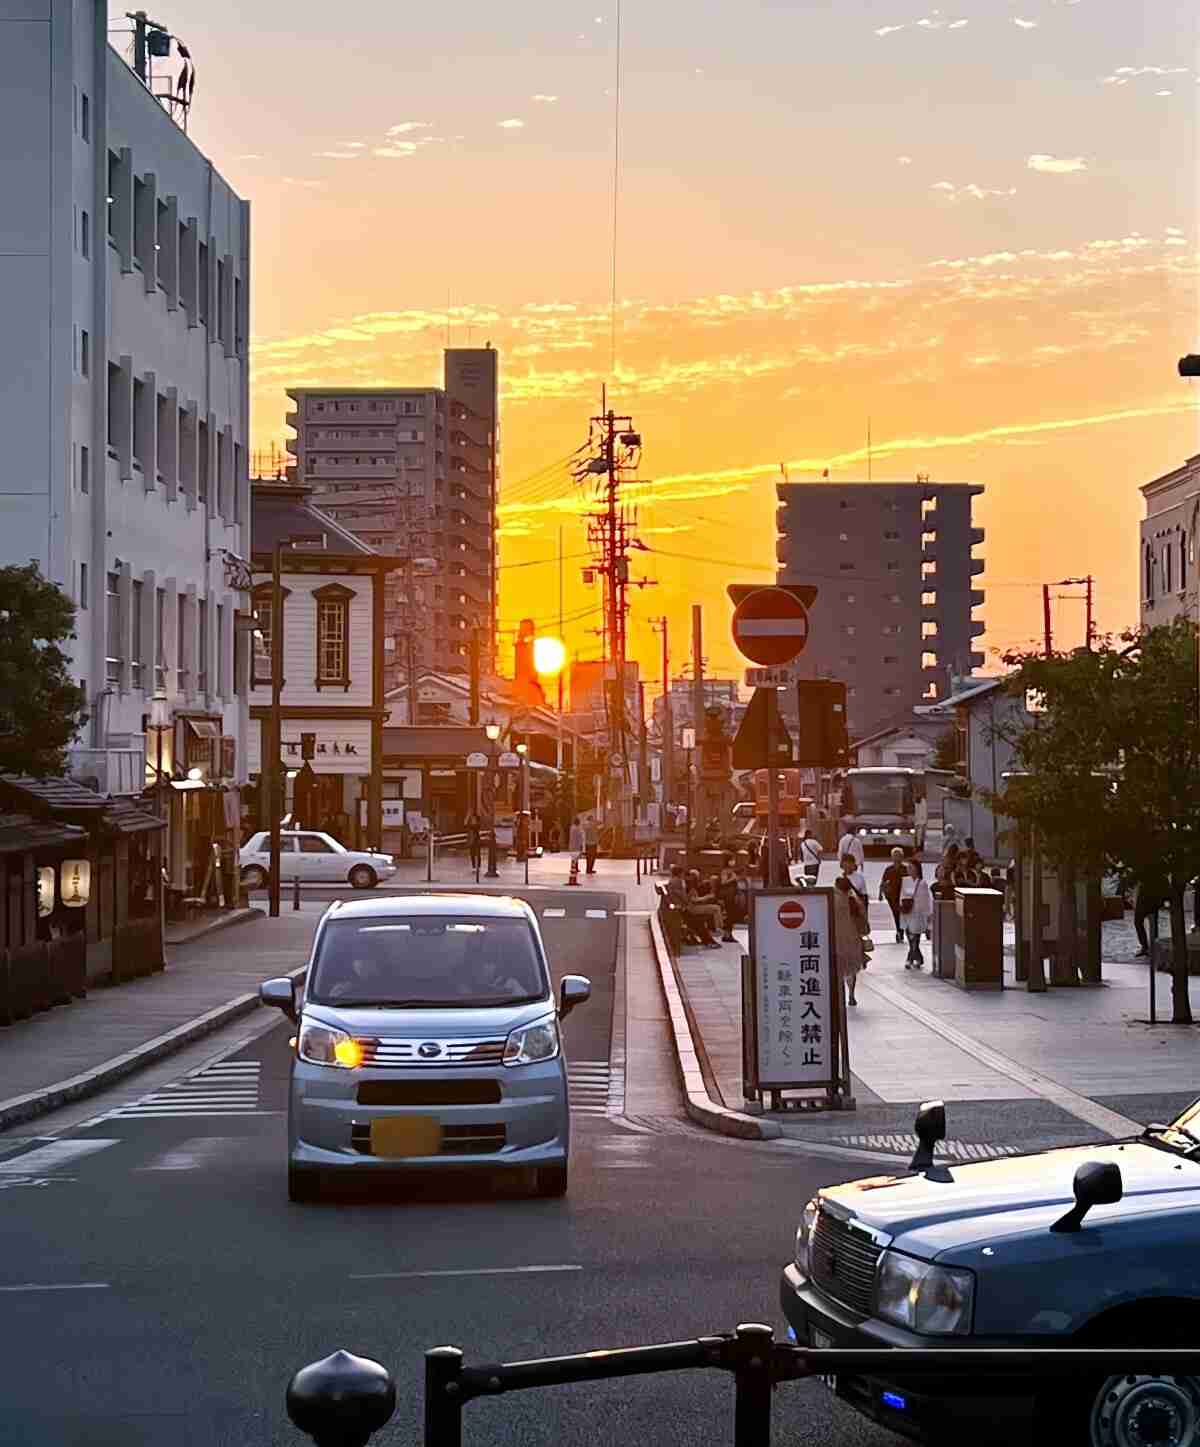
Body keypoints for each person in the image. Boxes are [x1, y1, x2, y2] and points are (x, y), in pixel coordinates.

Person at [833, 875, 867, 1007]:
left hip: (837, 940)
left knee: (839, 969)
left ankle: (840, 995)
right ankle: (851, 994)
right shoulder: (854, 900)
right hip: (853, 939)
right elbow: (864, 924)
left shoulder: (833, 900)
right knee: (851, 969)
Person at [900, 858, 934, 970]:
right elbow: (902, 895)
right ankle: (918, 957)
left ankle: (909, 958)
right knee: (910, 937)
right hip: (907, 911)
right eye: (908, 868)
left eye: (911, 867)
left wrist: (928, 915)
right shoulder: (905, 880)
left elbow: (926, 900)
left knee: (915, 937)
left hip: (918, 913)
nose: (909, 870)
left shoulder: (922, 883)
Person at [686, 869, 726, 944]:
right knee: (716, 908)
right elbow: (693, 900)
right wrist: (706, 897)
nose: (697, 878)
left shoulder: (692, 885)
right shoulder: (689, 886)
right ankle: (718, 928)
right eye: (696, 876)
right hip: (692, 908)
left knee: (716, 907)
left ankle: (719, 928)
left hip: (694, 906)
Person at [879, 847, 907, 943]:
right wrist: (880, 894)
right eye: (895, 856)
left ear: (902, 857)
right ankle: (899, 931)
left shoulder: (905, 869)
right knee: (896, 914)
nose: (896, 857)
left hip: (903, 895)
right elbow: (883, 882)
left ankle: (901, 931)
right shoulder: (889, 869)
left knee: (902, 914)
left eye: (898, 856)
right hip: (891, 896)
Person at [1134, 878, 1166, 957]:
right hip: (1147, 899)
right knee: (1140, 923)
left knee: (1151, 925)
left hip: (1150, 899)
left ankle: (1149, 947)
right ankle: (1147, 946)